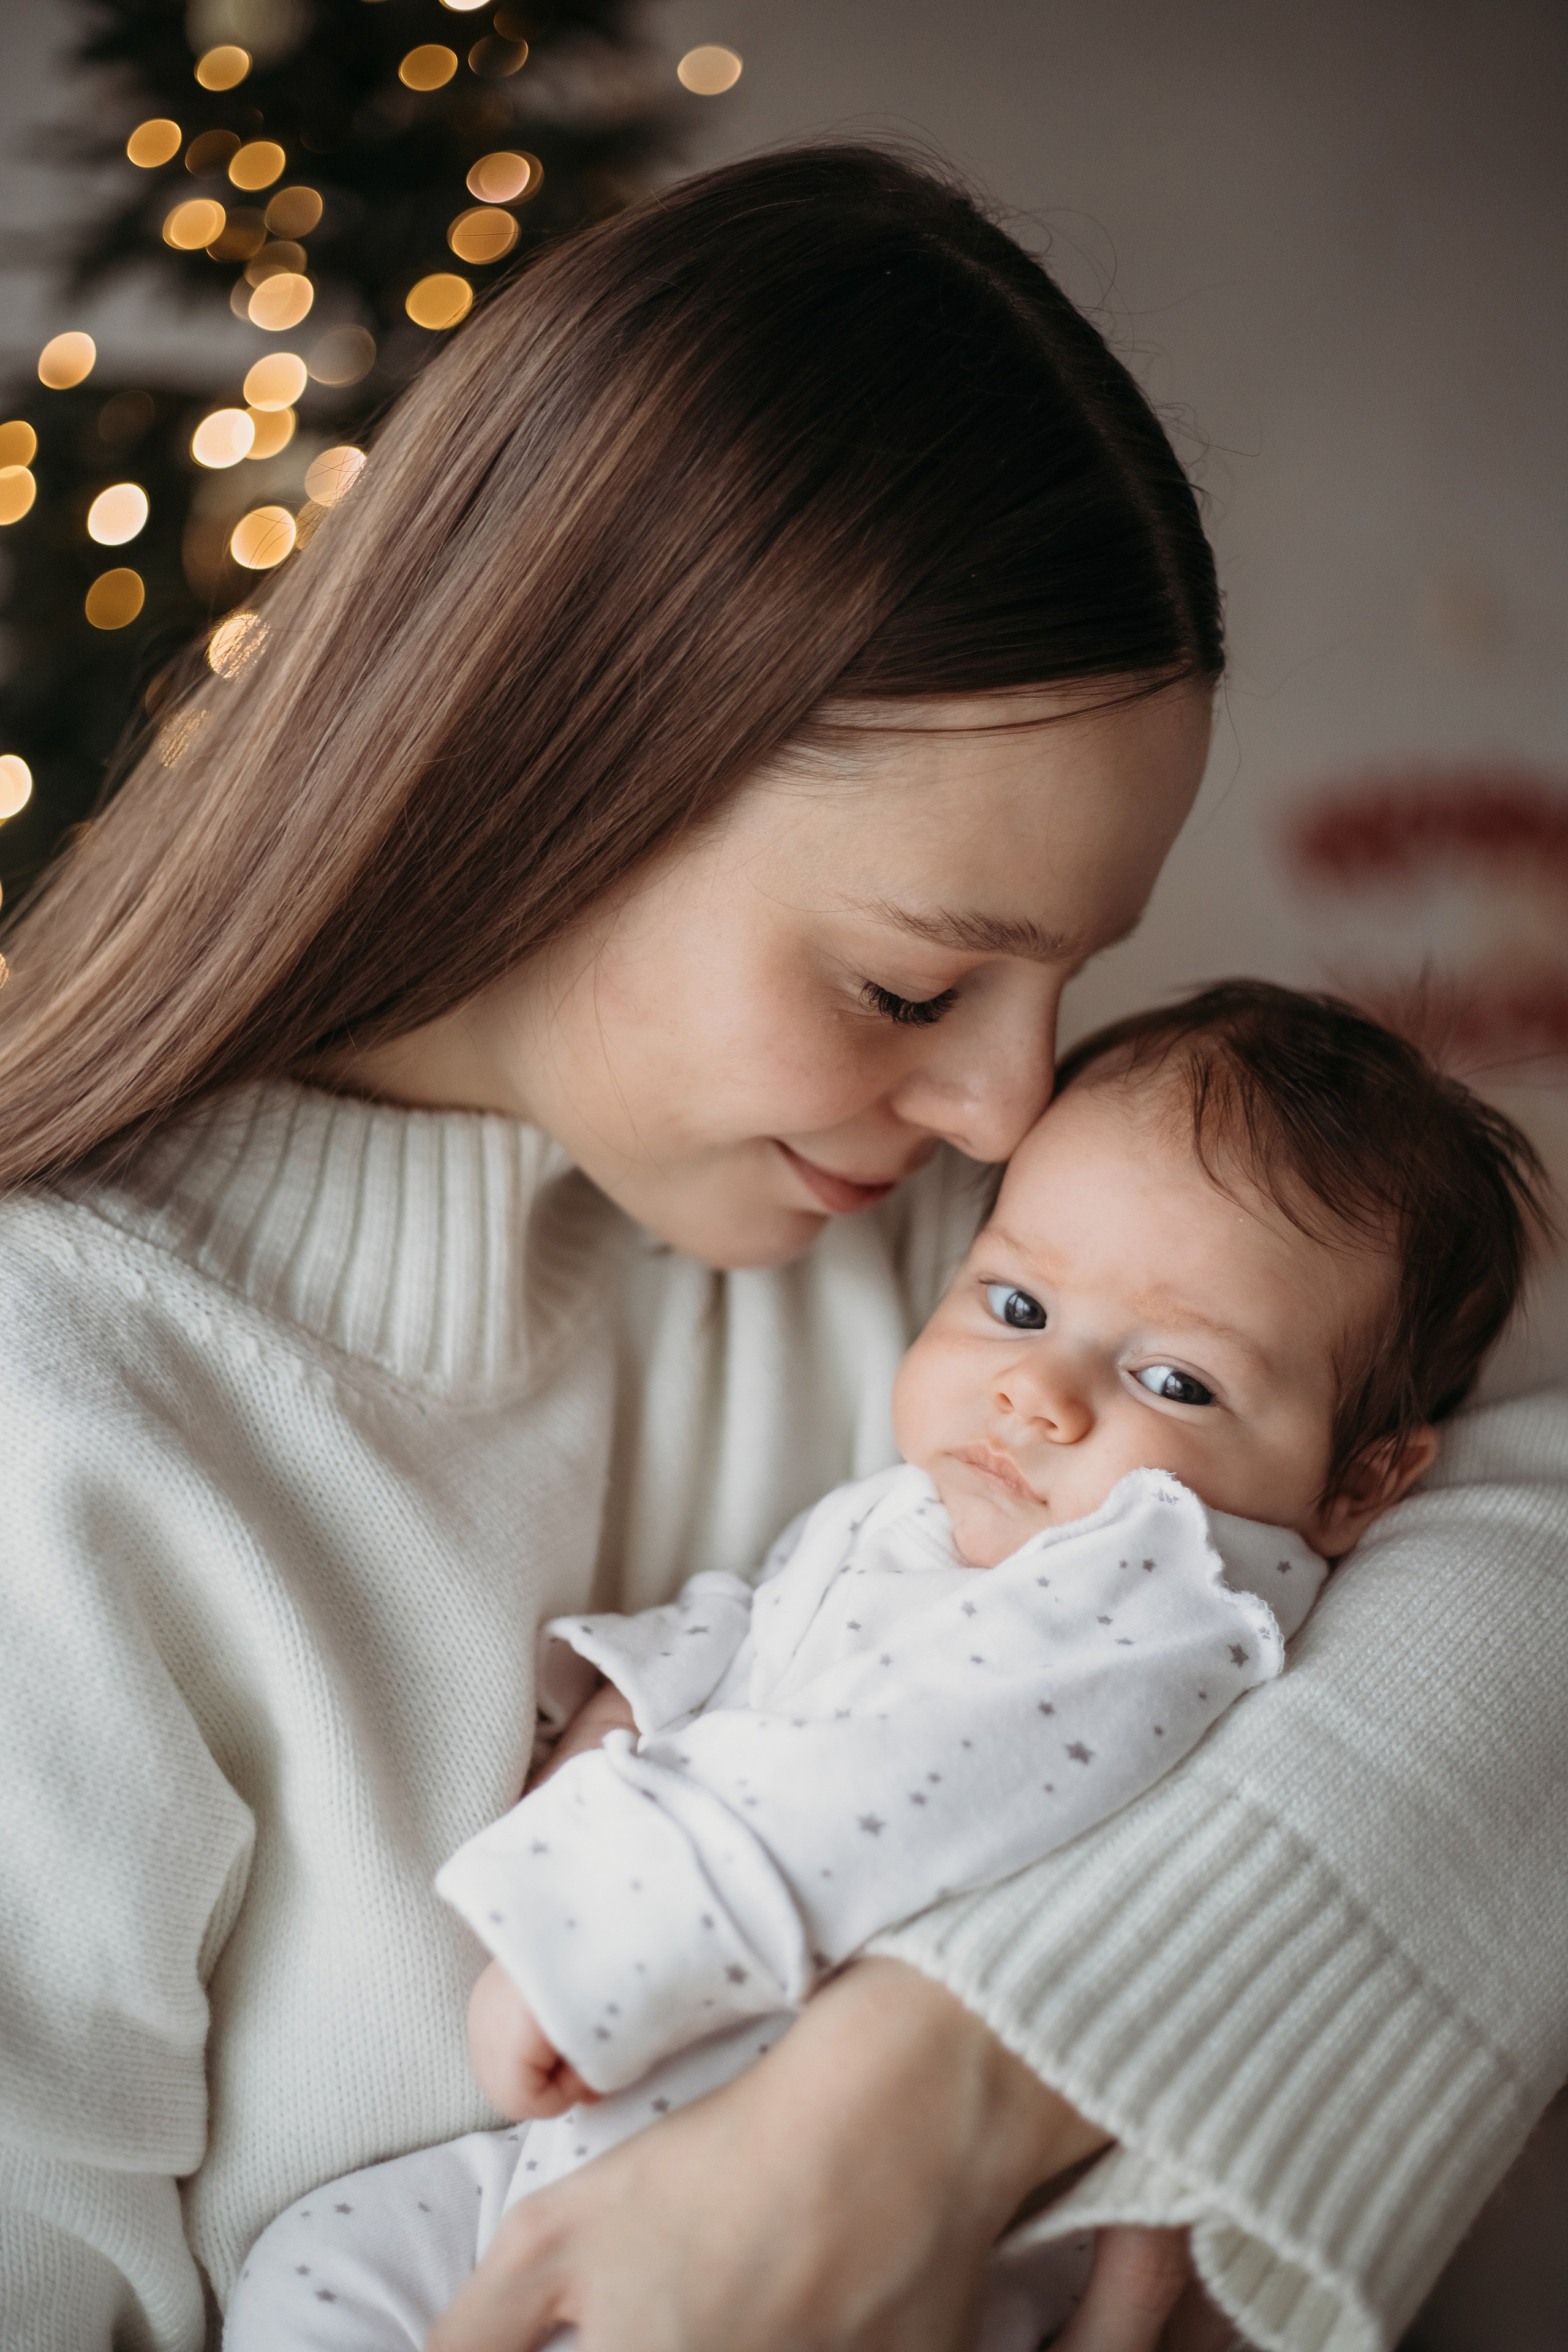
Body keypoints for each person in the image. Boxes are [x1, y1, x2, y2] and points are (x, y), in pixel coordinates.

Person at [0, 147, 1562, 2352]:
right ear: (550, 786)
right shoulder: (62, 1425)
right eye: (921, 989)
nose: (1017, 1111)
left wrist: (945, 2079)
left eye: (1065, 986)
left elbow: (1529, 1540)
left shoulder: (1015, 1282)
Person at [220, 979, 1547, 2351]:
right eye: (1017, 1300)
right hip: (630, 2156)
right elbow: (772, 1611)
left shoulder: (1167, 1584)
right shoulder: (939, 1504)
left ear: (1360, 1483)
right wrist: (631, 1695)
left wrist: (596, 1938)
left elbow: (906, 1774)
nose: (1038, 1390)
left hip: (816, 2216)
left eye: (1175, 1383)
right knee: (317, 2267)